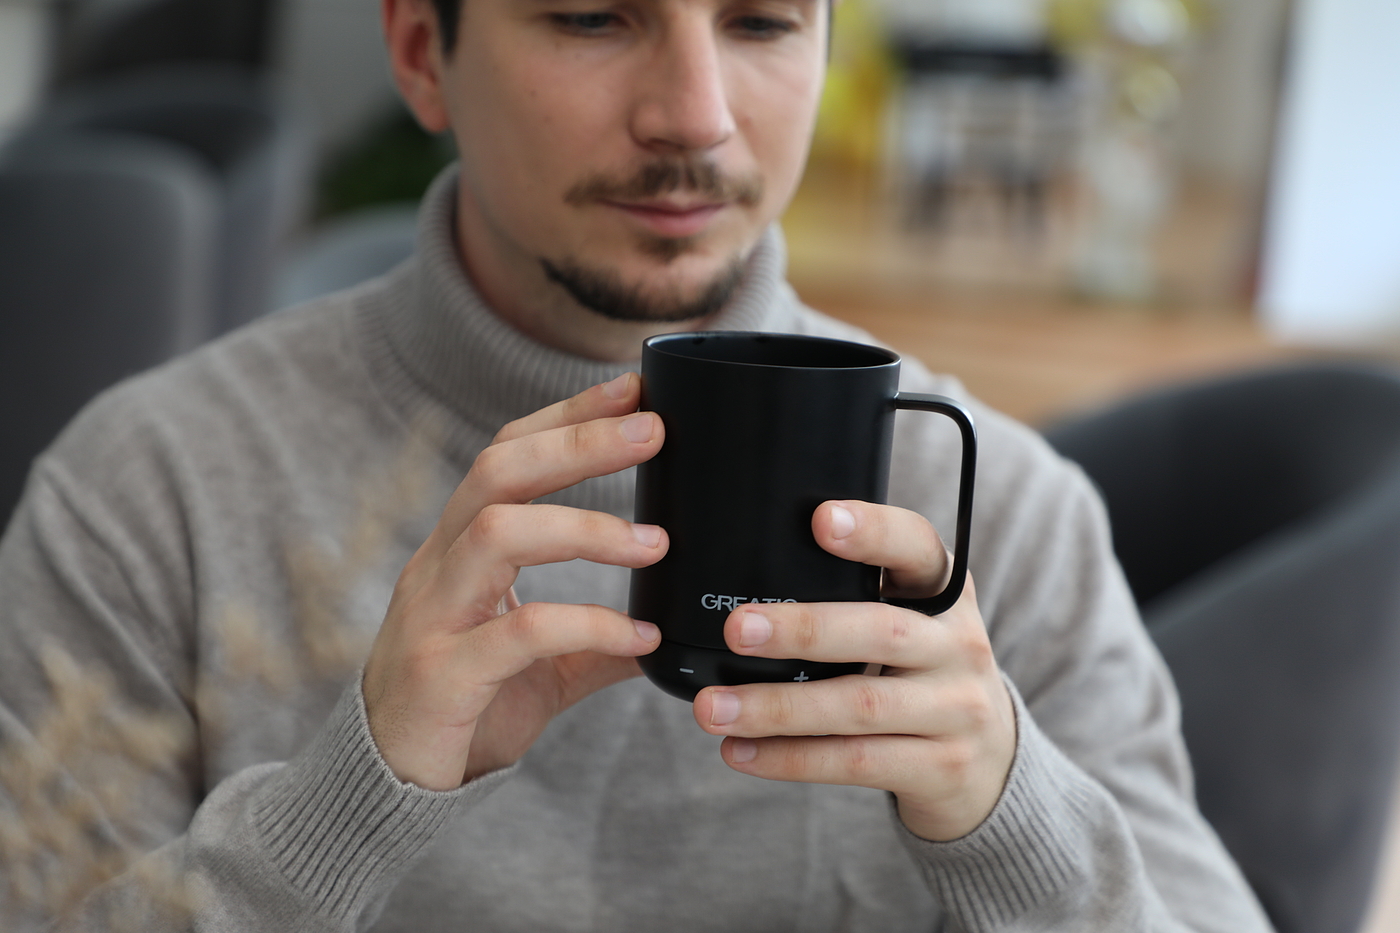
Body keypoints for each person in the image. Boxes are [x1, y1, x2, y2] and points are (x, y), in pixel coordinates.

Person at [0, 0, 1276, 929]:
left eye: (763, 22)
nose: (694, 116)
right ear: (416, 54)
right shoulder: (148, 488)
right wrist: (348, 802)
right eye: (592, 17)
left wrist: (1012, 822)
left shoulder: (994, 505)